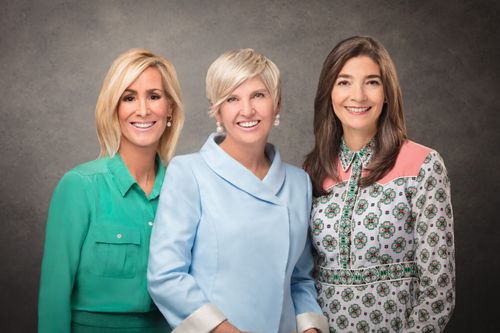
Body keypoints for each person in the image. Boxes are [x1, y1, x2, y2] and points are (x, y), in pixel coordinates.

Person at [147, 48, 328, 333]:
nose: (247, 110)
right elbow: (165, 275)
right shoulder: (188, 173)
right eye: (232, 98)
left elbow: (299, 279)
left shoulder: (299, 183)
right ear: (216, 109)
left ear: (276, 104)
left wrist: (310, 329)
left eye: (258, 95)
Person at [304, 36, 455, 332]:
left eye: (371, 82)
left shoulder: (423, 164)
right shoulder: (312, 170)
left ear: (387, 93)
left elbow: (439, 290)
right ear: (329, 92)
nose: (357, 96)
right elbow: (303, 276)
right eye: (344, 82)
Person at [38, 48, 184, 333]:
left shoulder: (185, 189)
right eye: (129, 98)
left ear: (170, 109)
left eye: (154, 96)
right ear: (114, 109)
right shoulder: (80, 186)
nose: (143, 109)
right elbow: (53, 297)